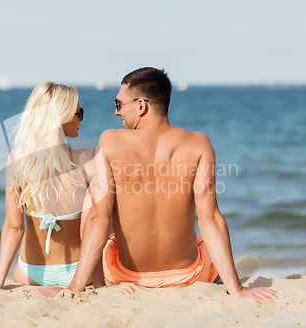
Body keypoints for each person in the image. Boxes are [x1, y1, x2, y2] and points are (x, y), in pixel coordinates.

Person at [40, 68, 278, 305]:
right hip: (189, 275)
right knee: (199, 238)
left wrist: (74, 288)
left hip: (127, 276)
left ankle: (95, 283)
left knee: (94, 198)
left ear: (141, 106)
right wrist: (236, 290)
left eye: (119, 104)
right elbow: (211, 220)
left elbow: (99, 220)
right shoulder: (199, 143)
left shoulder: (110, 141)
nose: (116, 112)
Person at [0, 81, 99, 291]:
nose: (82, 118)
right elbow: (94, 226)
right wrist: (99, 285)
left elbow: (13, 227)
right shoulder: (88, 159)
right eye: (79, 112)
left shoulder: (17, 161)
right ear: (62, 117)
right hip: (79, 273)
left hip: (29, 273)